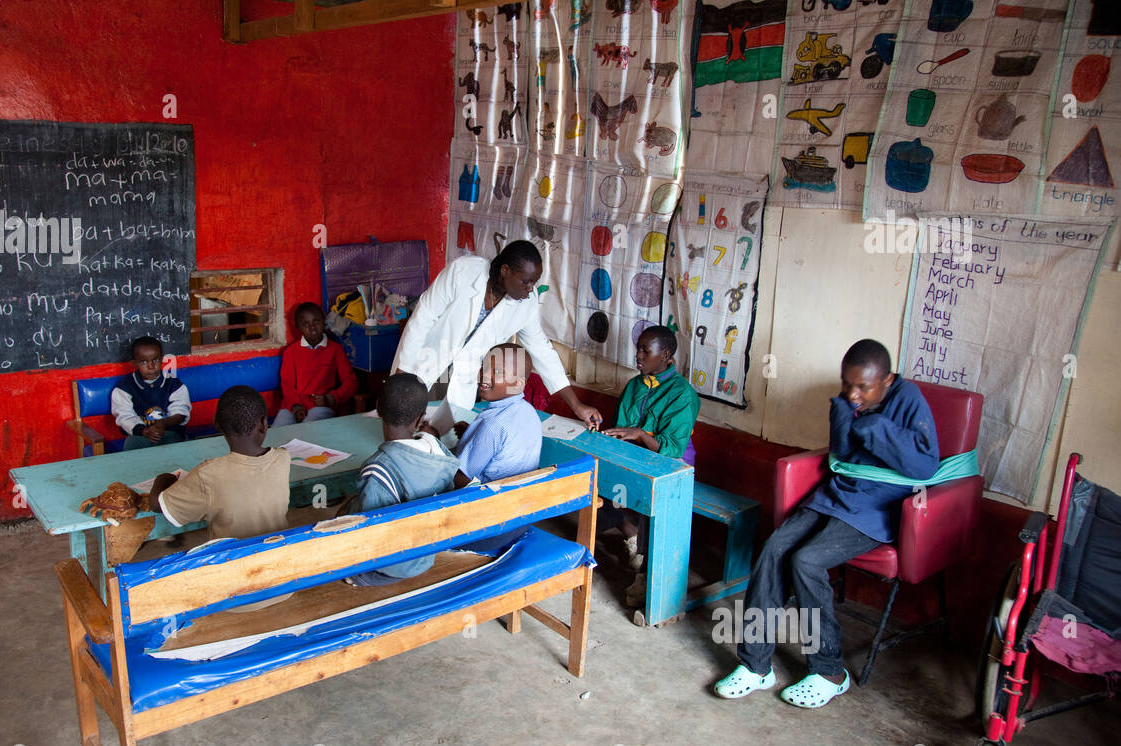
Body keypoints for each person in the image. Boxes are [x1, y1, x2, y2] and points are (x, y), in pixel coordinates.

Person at [713, 339, 939, 709]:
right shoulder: (849, 400)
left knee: (807, 560)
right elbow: (843, 452)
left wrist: (875, 427)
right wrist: (846, 415)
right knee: (773, 549)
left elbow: (924, 466)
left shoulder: (908, 398)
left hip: (878, 507)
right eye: (846, 384)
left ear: (888, 380)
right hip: (837, 495)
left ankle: (831, 671)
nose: (853, 394)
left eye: (863, 387)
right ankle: (755, 666)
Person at [392, 241, 603, 436]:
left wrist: (577, 406)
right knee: (401, 427)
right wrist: (402, 372)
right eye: (526, 281)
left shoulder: (526, 304)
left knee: (439, 441)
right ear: (505, 271)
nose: (530, 289)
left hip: (461, 380)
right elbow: (423, 318)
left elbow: (542, 352)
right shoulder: (464, 271)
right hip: (423, 361)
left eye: (534, 283)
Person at [597, 325, 700, 608]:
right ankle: (632, 534)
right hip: (636, 458)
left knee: (649, 500)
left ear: (665, 355)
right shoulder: (635, 385)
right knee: (594, 480)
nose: (638, 355)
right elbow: (622, 429)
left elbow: (673, 448)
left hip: (671, 466)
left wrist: (641, 434)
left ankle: (646, 572)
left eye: (646, 350)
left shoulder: (682, 394)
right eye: (638, 348)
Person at [343, 373, 461, 586]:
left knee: (340, 518)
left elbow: (370, 534)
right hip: (426, 555)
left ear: (378, 408)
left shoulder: (378, 469)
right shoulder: (439, 452)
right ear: (421, 417)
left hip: (390, 568)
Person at [148, 385, 290, 543]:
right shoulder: (283, 458)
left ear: (217, 424)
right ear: (264, 423)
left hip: (231, 561)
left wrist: (164, 478)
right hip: (278, 553)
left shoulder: (208, 474)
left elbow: (156, 504)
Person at [452, 343, 542, 486]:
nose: (485, 375)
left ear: (518, 384)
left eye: (498, 371)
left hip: (491, 502)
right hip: (523, 495)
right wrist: (472, 435)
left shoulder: (492, 425)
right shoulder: (529, 411)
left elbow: (461, 478)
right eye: (484, 367)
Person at [273, 302, 358, 427]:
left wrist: (331, 398)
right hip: (293, 405)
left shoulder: (335, 350)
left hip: (321, 405)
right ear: (297, 327)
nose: (312, 327)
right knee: (277, 432)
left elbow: (351, 382)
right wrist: (296, 406)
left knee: (309, 431)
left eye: (316, 321)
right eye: (305, 324)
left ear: (324, 321)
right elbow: (287, 384)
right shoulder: (290, 352)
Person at [112, 336, 190, 451]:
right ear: (134, 363)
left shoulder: (173, 384)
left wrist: (163, 424)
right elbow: (125, 415)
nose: (151, 366)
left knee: (174, 444)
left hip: (168, 431)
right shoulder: (125, 387)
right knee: (132, 444)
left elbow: (180, 411)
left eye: (156, 360)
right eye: (144, 362)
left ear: (162, 359)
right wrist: (143, 431)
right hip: (139, 435)